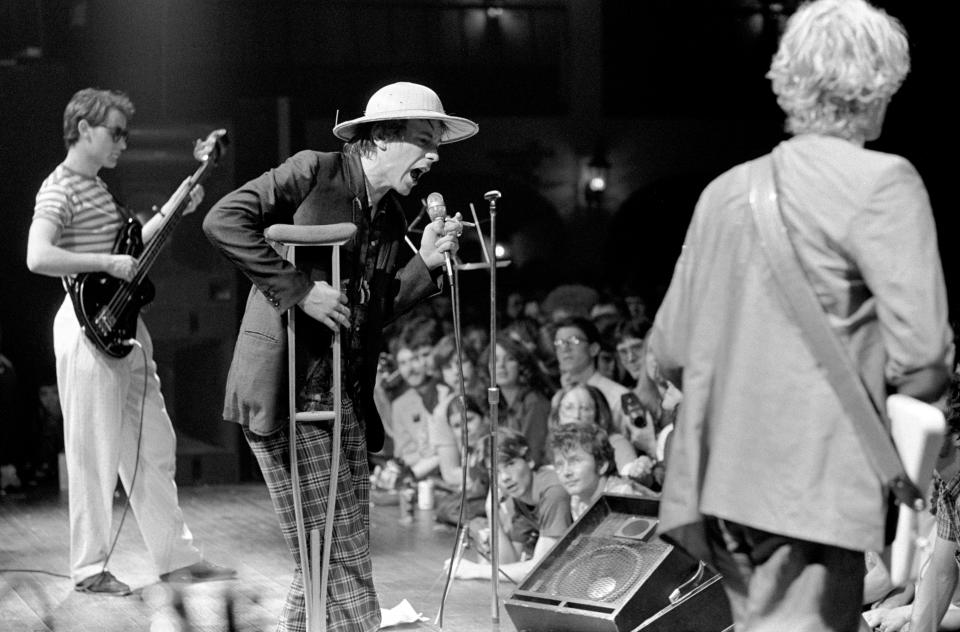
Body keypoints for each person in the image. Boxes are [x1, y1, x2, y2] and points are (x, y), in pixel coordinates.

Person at [647, 1, 954, 630]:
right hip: (813, 481)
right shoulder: (883, 183)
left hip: (722, 487)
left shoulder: (725, 192)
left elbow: (669, 351)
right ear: (877, 86)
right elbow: (924, 360)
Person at [202, 81, 476, 632]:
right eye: (423, 140)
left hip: (342, 396)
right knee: (339, 554)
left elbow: (370, 311)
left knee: (324, 555)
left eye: (437, 144)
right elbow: (223, 220)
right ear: (379, 138)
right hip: (290, 391)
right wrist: (300, 289)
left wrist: (422, 263)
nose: (433, 155)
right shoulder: (314, 171)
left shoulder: (390, 215)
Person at [26, 88, 235, 596]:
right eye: (115, 132)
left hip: (121, 325)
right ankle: (88, 568)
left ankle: (175, 557)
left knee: (154, 445)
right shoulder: (60, 189)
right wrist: (105, 263)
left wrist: (177, 206)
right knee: (93, 453)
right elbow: (38, 256)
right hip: (86, 327)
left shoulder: (98, 189)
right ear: (83, 129)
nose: (123, 142)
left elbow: (131, 246)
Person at [448, 428, 572, 583]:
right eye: (495, 471)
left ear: (529, 459)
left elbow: (540, 570)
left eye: (510, 464)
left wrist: (475, 570)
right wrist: (491, 511)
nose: (505, 477)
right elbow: (507, 563)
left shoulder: (553, 492)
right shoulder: (519, 499)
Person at [550, 422, 656, 520]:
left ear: (602, 465)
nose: (566, 472)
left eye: (575, 461)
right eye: (559, 465)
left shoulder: (623, 496)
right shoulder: (577, 501)